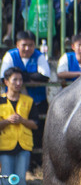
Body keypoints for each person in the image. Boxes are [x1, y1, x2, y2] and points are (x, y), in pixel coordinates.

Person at [0, 30, 50, 170]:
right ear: (17, 44)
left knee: (39, 132)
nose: (27, 48)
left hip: (37, 101)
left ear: (35, 45)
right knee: (12, 129)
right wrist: (31, 76)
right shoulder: (10, 55)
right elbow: (3, 76)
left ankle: (36, 165)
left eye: (31, 45)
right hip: (13, 103)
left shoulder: (39, 55)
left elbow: (45, 76)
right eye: (24, 45)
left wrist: (21, 75)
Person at [0, 66, 38, 185]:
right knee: (6, 182)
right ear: (6, 82)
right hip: (5, 146)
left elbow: (35, 124)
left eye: (20, 80)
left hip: (23, 146)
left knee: (21, 182)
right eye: (14, 80)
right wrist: (7, 121)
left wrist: (22, 120)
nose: (18, 83)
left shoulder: (28, 101)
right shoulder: (0, 100)